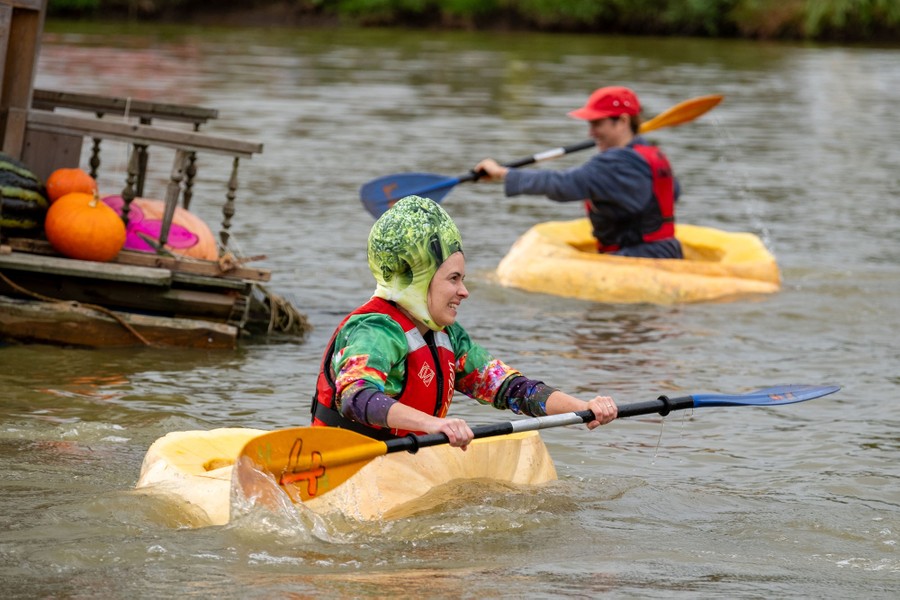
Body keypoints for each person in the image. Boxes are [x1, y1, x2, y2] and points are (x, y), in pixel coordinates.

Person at [311, 195, 617, 448]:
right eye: (453, 279)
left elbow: (511, 388)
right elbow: (355, 397)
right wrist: (435, 425)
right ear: (416, 280)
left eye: (463, 278)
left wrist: (582, 407)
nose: (464, 291)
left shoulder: (448, 336)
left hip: (404, 460)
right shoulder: (374, 330)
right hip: (347, 462)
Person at [475, 86, 683, 259]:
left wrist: (503, 173)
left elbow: (563, 184)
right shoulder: (653, 155)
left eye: (597, 123)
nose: (590, 132)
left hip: (636, 258)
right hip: (667, 251)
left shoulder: (616, 162)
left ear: (622, 121)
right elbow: (674, 194)